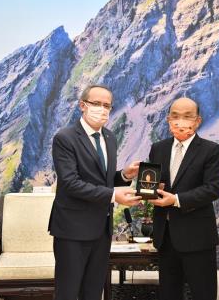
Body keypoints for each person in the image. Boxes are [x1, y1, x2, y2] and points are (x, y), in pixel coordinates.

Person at [48, 84, 142, 300]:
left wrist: (125, 176)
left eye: (107, 105)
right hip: (72, 229)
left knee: (93, 291)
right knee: (68, 292)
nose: (103, 109)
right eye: (96, 104)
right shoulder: (65, 138)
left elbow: (103, 179)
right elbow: (71, 183)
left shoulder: (109, 138)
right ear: (83, 105)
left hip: (102, 229)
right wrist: (113, 196)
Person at [148, 97, 219, 300]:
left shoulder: (211, 150)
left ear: (197, 121)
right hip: (165, 236)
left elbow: (212, 189)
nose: (180, 121)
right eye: (175, 116)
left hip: (197, 236)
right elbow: (156, 184)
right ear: (168, 119)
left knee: (203, 293)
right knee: (168, 293)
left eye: (187, 116)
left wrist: (176, 200)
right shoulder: (158, 148)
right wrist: (150, 190)